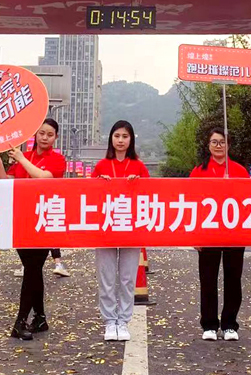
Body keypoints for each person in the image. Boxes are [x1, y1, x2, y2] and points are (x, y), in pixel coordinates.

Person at [0, 117, 67, 341]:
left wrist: (21, 158)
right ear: (35, 135)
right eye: (41, 133)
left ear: (55, 138)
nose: (45, 138)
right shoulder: (24, 157)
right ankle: (40, 318)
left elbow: (45, 178)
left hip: (43, 221)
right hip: (21, 220)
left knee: (32, 269)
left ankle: (20, 321)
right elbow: (6, 181)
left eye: (49, 134)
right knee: (33, 270)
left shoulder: (57, 159)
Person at [92, 120, 149, 341]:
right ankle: (109, 321)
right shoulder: (101, 165)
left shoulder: (139, 166)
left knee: (127, 278)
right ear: (111, 139)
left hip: (131, 229)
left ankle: (123, 321)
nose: (121, 140)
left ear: (131, 140)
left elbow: (150, 195)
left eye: (125, 136)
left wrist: (138, 184)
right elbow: (88, 195)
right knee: (106, 277)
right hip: (105, 228)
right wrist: (99, 183)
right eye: (117, 136)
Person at [190, 128, 249, 341]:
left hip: (235, 232)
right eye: (214, 142)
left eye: (222, 142)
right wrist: (194, 234)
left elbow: (249, 200)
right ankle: (209, 325)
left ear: (228, 145)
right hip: (208, 233)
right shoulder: (198, 171)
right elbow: (191, 203)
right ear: (208, 146)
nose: (218, 146)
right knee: (208, 279)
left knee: (233, 279)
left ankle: (230, 324)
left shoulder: (239, 170)